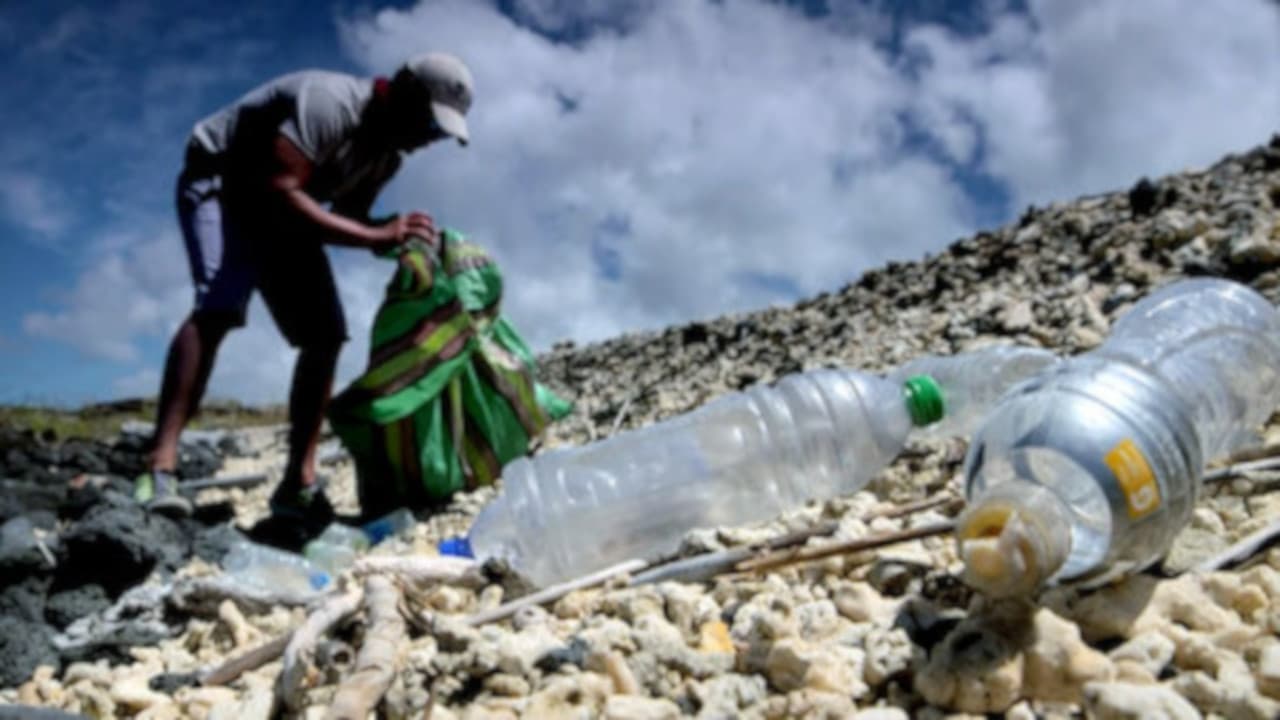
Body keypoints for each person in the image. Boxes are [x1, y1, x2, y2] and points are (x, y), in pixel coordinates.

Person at [133, 52, 475, 520]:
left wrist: (394, 237)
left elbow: (347, 221)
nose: (427, 140)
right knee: (219, 306)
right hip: (224, 180)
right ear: (402, 92)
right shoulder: (329, 102)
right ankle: (159, 466)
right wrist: (377, 234)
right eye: (430, 124)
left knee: (325, 335)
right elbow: (280, 186)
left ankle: (299, 481)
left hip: (282, 206)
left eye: (438, 134)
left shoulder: (385, 159)